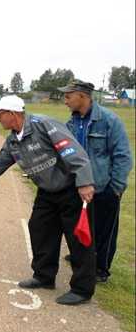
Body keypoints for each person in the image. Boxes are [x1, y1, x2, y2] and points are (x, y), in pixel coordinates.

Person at [0, 95, 96, 305]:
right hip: (47, 192)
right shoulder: (12, 141)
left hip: (72, 189)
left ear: (13, 114)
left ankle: (82, 289)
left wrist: (85, 182)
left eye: (0, 114)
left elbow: (73, 150)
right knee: (39, 230)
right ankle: (44, 276)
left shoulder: (44, 125)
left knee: (79, 240)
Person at [58, 80, 133, 283]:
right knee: (81, 227)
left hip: (104, 188)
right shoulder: (71, 123)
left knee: (103, 232)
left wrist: (115, 188)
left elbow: (123, 156)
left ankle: (101, 269)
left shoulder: (109, 120)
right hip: (79, 188)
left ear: (82, 96)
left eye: (68, 96)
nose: (65, 100)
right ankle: (83, 258)